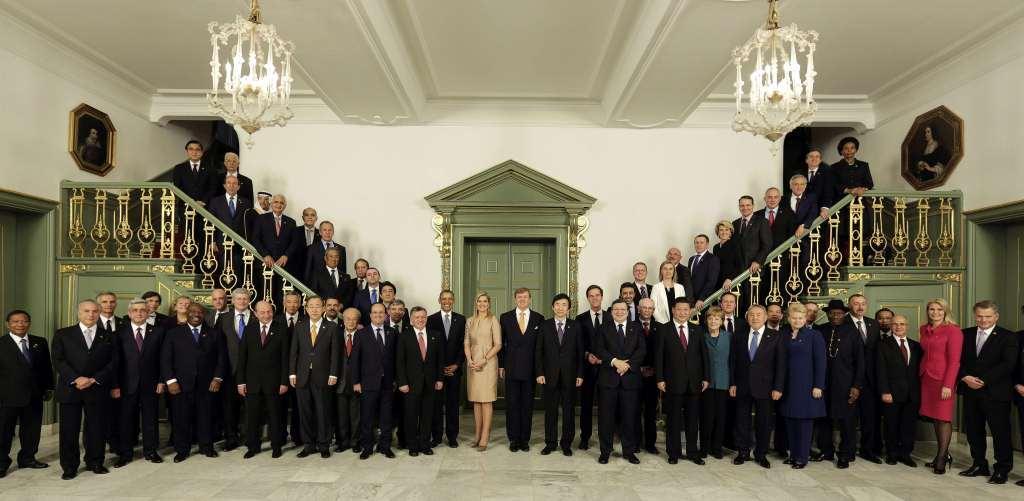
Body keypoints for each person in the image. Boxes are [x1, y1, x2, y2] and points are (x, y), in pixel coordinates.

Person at [53, 299, 117, 479]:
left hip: (96, 388)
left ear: (99, 313)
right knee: (69, 430)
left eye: (95, 311)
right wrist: (75, 378)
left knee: (97, 428)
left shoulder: (108, 336)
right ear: (78, 313)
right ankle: (69, 466)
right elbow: (58, 360)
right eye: (87, 311)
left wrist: (94, 379)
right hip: (70, 389)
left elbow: (113, 362)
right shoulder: (63, 334)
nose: (91, 315)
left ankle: (95, 462)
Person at [958, 300, 1017, 484]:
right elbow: (955, 360)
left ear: (996, 316)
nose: (983, 320)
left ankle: (1002, 469)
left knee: (1000, 432)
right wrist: (964, 377)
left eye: (988, 316)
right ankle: (979, 464)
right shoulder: (964, 334)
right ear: (975, 315)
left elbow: (1008, 364)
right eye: (979, 316)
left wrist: (983, 381)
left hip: (996, 393)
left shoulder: (1008, 337)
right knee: (974, 430)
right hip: (970, 391)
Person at [162, 303, 224, 463]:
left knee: (206, 417)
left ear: (204, 315)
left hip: (207, 384)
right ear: (187, 313)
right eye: (193, 311)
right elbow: (166, 359)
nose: (196, 314)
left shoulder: (214, 333)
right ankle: (182, 450)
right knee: (181, 417)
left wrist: (217, 378)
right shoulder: (173, 333)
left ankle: (206, 447)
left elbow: (221, 359)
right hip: (181, 385)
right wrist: (171, 381)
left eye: (200, 312)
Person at [0, 310, 54, 478]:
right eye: (15, 321)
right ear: (8, 324)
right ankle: (1, 463)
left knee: (31, 430)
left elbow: (47, 367)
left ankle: (28, 458)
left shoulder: (40, 342)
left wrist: (49, 387)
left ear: (29, 323)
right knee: (3, 431)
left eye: (24, 321)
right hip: (7, 396)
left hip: (34, 394)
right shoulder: (1, 343)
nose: (20, 324)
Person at [811, 300, 864, 469]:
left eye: (839, 313)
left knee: (846, 420)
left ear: (844, 314)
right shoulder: (821, 331)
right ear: (827, 314)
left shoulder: (853, 332)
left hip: (846, 383)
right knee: (823, 418)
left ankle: (845, 454)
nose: (835, 316)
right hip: (823, 383)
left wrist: (856, 386)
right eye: (832, 313)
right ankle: (826, 451)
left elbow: (861, 362)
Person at [730, 304, 785, 469]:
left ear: (765, 317)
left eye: (759, 315)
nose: (755, 317)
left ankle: (761, 454)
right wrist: (732, 383)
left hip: (766, 388)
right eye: (751, 315)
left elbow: (781, 365)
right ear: (747, 317)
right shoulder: (738, 336)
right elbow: (732, 362)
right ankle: (743, 452)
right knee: (741, 421)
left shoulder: (776, 336)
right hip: (742, 385)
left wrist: (778, 387)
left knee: (764, 422)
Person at [112, 299, 166, 467]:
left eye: (143, 310)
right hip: (126, 385)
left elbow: (163, 359)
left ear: (148, 312)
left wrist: (161, 380)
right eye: (135, 310)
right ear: (129, 313)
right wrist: (115, 385)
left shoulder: (158, 332)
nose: (139, 313)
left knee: (150, 419)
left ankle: (150, 451)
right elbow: (115, 362)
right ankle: (125, 454)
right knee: (126, 420)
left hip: (151, 384)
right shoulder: (119, 333)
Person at [655, 298, 709, 465]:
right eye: (680, 309)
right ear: (673, 310)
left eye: (686, 309)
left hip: (694, 383)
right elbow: (659, 356)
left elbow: (704, 356)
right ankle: (673, 452)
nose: (683, 312)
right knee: (673, 420)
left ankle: (693, 452)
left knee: (693, 420)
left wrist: (706, 377)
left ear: (690, 311)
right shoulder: (664, 330)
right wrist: (660, 378)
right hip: (672, 382)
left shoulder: (697, 329)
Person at [593, 299, 645, 465]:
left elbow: (642, 350)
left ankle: (629, 452)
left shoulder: (636, 328)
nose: (620, 312)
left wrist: (627, 365)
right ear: (611, 311)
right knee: (606, 419)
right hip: (608, 380)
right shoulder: (603, 328)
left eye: (623, 309)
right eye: (616, 309)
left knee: (629, 418)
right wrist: (615, 361)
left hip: (630, 380)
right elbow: (599, 349)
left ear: (627, 311)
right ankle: (605, 452)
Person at [236, 300, 289, 459]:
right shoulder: (249, 329)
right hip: (252, 382)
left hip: (274, 382)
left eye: (269, 311)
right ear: (256, 313)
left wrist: (284, 382)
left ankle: (276, 446)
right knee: (252, 416)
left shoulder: (281, 329)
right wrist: (241, 382)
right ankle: (253, 446)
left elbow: (285, 358)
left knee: (275, 415)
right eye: (262, 312)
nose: (266, 315)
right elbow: (242, 357)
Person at [288, 296, 340, 458]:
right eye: (312, 306)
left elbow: (335, 354)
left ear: (323, 308)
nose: (315, 309)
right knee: (305, 412)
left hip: (323, 376)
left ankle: (323, 445)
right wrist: (292, 373)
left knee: (322, 411)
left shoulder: (331, 327)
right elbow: (294, 352)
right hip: (302, 376)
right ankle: (308, 445)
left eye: (318, 306)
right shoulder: (300, 326)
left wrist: (333, 373)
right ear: (306, 308)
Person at [535, 294, 583, 456]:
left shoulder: (575, 326)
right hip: (549, 376)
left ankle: (566, 443)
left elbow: (580, 353)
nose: (561, 307)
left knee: (569, 412)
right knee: (551, 411)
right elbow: (538, 352)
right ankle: (550, 443)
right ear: (552, 307)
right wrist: (540, 372)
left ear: (568, 309)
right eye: (557, 304)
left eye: (564, 305)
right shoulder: (544, 325)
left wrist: (580, 374)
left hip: (570, 376)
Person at [778, 303, 825, 470]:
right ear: (789, 319)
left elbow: (821, 362)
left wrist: (818, 385)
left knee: (804, 423)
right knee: (790, 420)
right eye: (794, 317)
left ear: (805, 319)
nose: (797, 320)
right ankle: (793, 455)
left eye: (800, 317)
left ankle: (802, 458)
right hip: (788, 386)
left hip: (807, 386)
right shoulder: (784, 335)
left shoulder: (815, 335)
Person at [918, 298, 962, 474]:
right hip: (926, 379)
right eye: (931, 309)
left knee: (943, 418)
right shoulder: (924, 329)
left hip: (943, 380)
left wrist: (948, 385)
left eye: (939, 309)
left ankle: (942, 457)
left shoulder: (953, 331)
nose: (935, 312)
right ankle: (941, 454)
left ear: (945, 312)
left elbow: (955, 361)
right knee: (935, 417)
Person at [499, 288, 544, 452]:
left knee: (527, 405)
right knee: (511, 405)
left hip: (530, 370)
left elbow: (540, 347)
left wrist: (540, 370)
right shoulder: (505, 317)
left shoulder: (539, 318)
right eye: (519, 297)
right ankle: (513, 439)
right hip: (511, 368)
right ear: (515, 299)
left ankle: (525, 439)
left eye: (525, 297)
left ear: (530, 299)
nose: (522, 299)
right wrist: (501, 365)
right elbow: (501, 344)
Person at [351, 303, 398, 459]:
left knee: (386, 417)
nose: (378, 315)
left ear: (386, 315)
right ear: (370, 315)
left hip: (387, 383)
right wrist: (356, 382)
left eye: (381, 313)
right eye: (375, 313)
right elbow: (355, 360)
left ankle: (385, 447)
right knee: (367, 418)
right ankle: (367, 447)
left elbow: (396, 359)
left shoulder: (392, 332)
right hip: (367, 383)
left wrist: (397, 380)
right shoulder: (361, 334)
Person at [396, 307, 443, 457]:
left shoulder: (436, 335)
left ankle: (424, 444)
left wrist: (440, 379)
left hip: (430, 383)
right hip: (410, 384)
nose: (420, 320)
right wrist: (402, 382)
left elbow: (439, 361)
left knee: (427, 415)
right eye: (417, 317)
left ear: (426, 318)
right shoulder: (404, 336)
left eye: (423, 317)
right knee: (411, 415)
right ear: (411, 320)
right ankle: (412, 445)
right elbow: (400, 362)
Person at [876, 314, 921, 467]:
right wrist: (884, 391)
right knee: (891, 425)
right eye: (895, 324)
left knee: (908, 425)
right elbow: (880, 370)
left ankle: (906, 454)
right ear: (891, 326)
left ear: (907, 326)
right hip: (892, 393)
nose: (898, 327)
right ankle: (892, 453)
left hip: (912, 393)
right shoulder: (882, 344)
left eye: (902, 324)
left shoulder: (915, 346)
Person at [427, 290, 466, 448]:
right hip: (437, 370)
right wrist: (440, 367)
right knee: (436, 405)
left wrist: (456, 365)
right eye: (444, 298)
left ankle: (452, 436)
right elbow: (429, 347)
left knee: (452, 405)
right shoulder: (430, 319)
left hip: (455, 369)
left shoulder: (461, 319)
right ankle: (436, 436)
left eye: (450, 298)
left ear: (454, 300)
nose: (447, 301)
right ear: (439, 300)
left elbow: (464, 345)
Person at [847, 294, 883, 463]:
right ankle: (848, 450)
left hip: (870, 380)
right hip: (850, 379)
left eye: (863, 304)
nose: (860, 307)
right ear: (850, 305)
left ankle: (867, 450)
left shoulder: (873, 324)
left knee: (869, 417)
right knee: (850, 418)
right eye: (856, 304)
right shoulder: (843, 324)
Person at [215, 288, 253, 452]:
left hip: (252, 371)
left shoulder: (258, 317)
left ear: (249, 300)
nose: (242, 301)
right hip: (229, 370)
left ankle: (249, 437)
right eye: (239, 299)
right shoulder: (224, 318)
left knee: (251, 407)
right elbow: (217, 345)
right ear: (233, 300)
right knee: (229, 407)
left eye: (245, 298)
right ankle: (231, 438)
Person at [464, 292, 502, 452]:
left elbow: (498, 344)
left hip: (488, 363)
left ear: (489, 303)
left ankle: (485, 436)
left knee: (486, 401)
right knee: (476, 400)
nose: (482, 304)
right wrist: (469, 359)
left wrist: (484, 359)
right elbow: (466, 341)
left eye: (485, 301)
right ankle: (477, 434)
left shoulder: (493, 320)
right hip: (473, 364)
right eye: (479, 301)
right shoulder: (470, 321)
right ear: (476, 303)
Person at [575, 285, 608, 450]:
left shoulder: (611, 316)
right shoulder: (580, 319)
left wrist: (605, 359)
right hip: (587, 369)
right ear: (587, 298)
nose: (594, 298)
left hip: (606, 369)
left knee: (606, 406)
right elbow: (577, 345)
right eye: (591, 296)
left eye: (597, 295)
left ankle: (605, 439)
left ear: (602, 297)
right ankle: (584, 438)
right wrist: (588, 355)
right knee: (586, 406)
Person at [251, 194, 300, 302]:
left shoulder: (291, 222)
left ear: (285, 206)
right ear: (271, 204)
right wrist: (265, 255)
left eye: (281, 203)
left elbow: (294, 243)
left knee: (280, 297)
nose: (278, 205)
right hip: (265, 264)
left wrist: (286, 256)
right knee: (265, 295)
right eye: (276, 202)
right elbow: (255, 239)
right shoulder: (261, 218)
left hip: (284, 266)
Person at [700, 306, 731, 460]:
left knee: (721, 417)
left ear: (721, 321)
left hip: (724, 383)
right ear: (706, 320)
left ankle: (717, 447)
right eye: (710, 318)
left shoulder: (729, 337)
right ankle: (704, 448)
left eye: (717, 318)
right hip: (706, 383)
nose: (713, 321)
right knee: (707, 417)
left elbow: (733, 361)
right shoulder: (701, 336)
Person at [276, 291, 305, 447]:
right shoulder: (276, 320)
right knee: (279, 406)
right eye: (289, 302)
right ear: (284, 303)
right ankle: (280, 436)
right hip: (279, 371)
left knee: (298, 406)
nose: (292, 305)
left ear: (300, 304)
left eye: (295, 302)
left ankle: (297, 436)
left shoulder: (306, 321)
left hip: (300, 372)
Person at [96, 292, 121, 454]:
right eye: (104, 302)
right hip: (96, 377)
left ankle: (115, 444)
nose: (108, 305)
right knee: (96, 417)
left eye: (112, 302)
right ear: (99, 304)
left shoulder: (124, 323)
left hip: (118, 376)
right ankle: (95, 445)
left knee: (117, 413)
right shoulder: (90, 322)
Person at [635, 297, 660, 454]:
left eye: (650, 308)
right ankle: (635, 443)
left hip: (653, 376)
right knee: (634, 411)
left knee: (651, 411)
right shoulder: (631, 326)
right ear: (639, 309)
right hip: (635, 375)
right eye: (644, 307)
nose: (647, 310)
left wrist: (656, 370)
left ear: (653, 310)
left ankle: (650, 444)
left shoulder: (661, 327)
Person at [334, 308, 362, 454]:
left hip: (357, 383)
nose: (350, 322)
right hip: (340, 382)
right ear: (343, 320)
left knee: (356, 416)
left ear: (357, 322)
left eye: (353, 319)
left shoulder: (363, 336)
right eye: (347, 319)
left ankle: (355, 442)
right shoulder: (336, 335)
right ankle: (342, 442)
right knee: (341, 416)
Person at [171, 140, 216, 208]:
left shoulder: (210, 169)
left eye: (197, 149)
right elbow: (177, 187)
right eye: (191, 149)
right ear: (187, 152)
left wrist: (203, 201)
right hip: (185, 206)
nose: (194, 152)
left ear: (202, 152)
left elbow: (213, 188)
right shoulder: (179, 168)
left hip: (205, 207)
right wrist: (190, 201)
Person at [798, 148, 834, 217]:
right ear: (806, 160)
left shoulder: (827, 174)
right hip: (801, 210)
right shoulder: (798, 173)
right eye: (811, 156)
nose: (814, 159)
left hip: (819, 211)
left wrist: (824, 208)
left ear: (820, 160)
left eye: (817, 157)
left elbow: (828, 193)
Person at [689, 234, 720, 308]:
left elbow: (712, 281)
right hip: (692, 300)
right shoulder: (691, 259)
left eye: (701, 243)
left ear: (707, 245)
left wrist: (701, 298)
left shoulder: (713, 259)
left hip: (704, 300)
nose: (698, 245)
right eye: (697, 242)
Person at [290, 208, 320, 279]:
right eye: (307, 215)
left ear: (316, 218)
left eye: (312, 215)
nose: (310, 217)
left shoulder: (321, 234)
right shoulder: (295, 231)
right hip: (297, 272)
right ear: (303, 218)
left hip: (315, 273)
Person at [713, 221, 742, 291]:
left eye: (727, 230)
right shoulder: (716, 247)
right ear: (718, 232)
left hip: (730, 282)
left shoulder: (735, 245)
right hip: (717, 281)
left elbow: (739, 265)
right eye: (721, 230)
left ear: (730, 232)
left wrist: (730, 279)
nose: (724, 232)